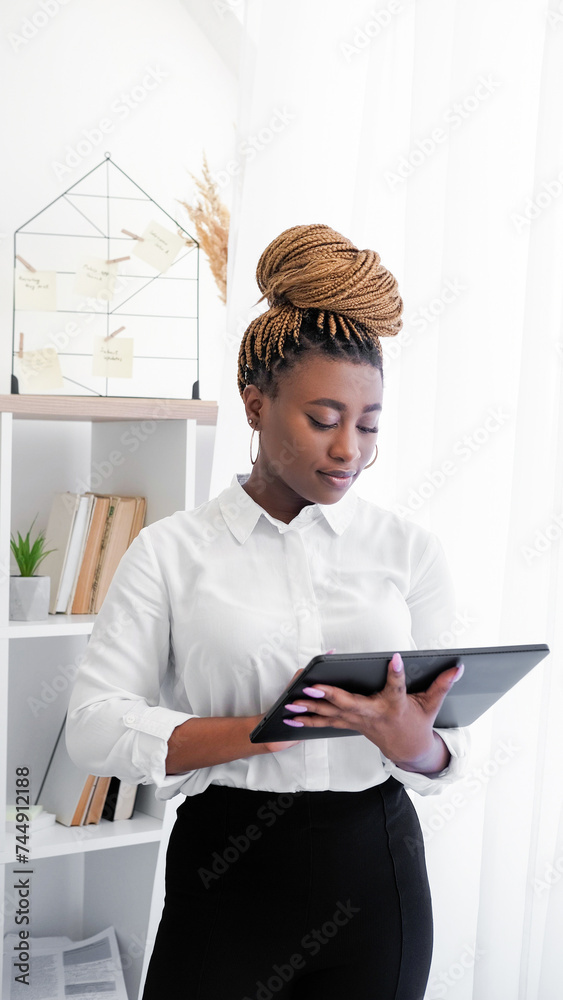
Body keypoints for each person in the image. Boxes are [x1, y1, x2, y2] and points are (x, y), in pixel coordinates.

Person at [66, 223, 470, 1000]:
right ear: (255, 406)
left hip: (377, 870)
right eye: (322, 420)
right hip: (227, 875)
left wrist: (415, 743)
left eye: (369, 425)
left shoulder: (408, 549)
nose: (349, 448)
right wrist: (260, 731)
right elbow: (92, 723)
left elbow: (442, 748)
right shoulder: (169, 552)